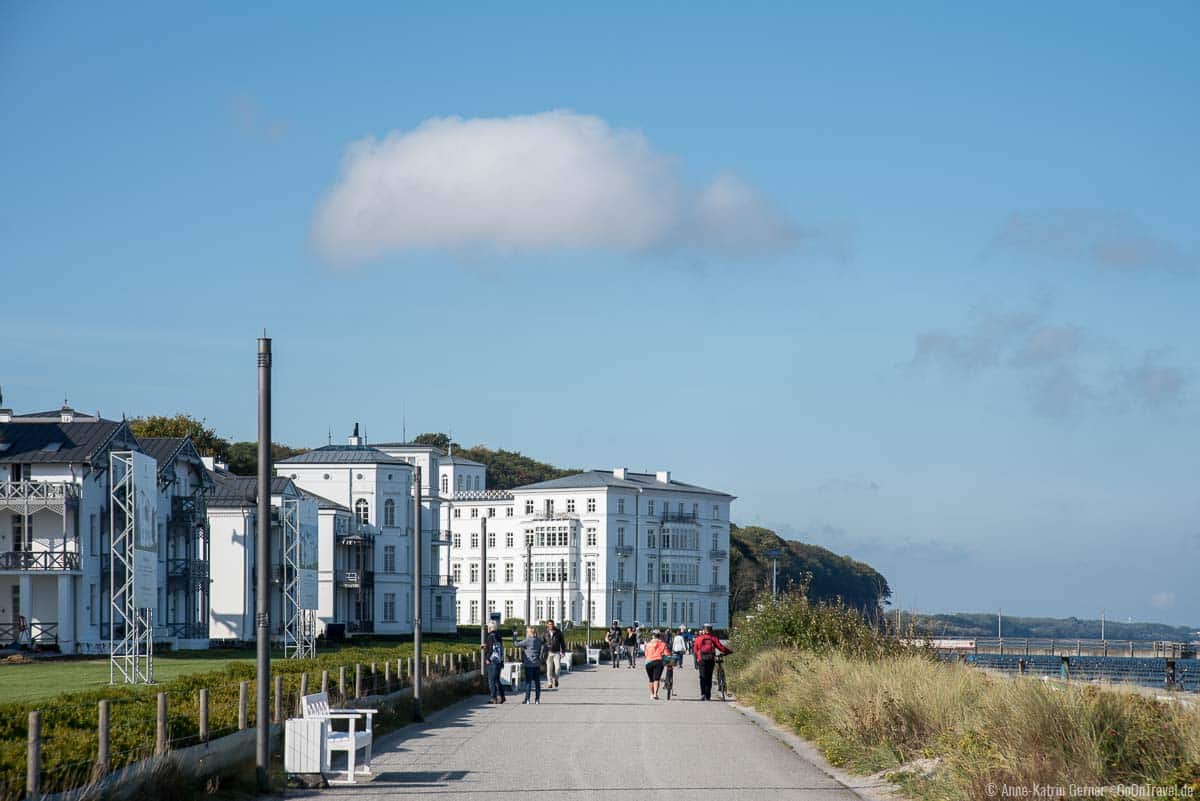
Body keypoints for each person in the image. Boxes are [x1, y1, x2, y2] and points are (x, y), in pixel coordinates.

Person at [693, 624, 732, 700]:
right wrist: (728, 651)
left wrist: (696, 660)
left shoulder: (699, 638)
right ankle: (708, 695)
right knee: (709, 677)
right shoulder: (713, 638)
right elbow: (720, 647)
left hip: (701, 659)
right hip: (711, 659)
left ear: (704, 630)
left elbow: (695, 649)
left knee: (702, 677)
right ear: (711, 630)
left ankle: (703, 694)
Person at [518, 626, 547, 704]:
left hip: (529, 664)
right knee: (537, 682)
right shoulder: (539, 640)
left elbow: (516, 644)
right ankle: (537, 700)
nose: (526, 633)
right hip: (537, 664)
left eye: (527, 632)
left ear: (530, 632)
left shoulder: (527, 640)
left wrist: (514, 636)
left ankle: (527, 699)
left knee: (528, 682)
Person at [482, 621, 507, 704]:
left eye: (488, 627)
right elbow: (498, 648)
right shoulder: (498, 636)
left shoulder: (490, 636)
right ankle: (502, 696)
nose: (487, 629)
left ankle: (493, 698)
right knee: (497, 680)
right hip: (499, 660)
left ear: (490, 628)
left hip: (493, 661)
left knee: (491, 680)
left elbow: (491, 649)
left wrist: (487, 658)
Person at [643, 629, 670, 699]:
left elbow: (646, 654)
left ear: (652, 636)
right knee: (656, 679)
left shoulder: (648, 644)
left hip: (648, 663)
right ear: (659, 636)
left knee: (651, 679)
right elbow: (667, 654)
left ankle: (651, 694)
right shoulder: (663, 644)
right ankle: (655, 694)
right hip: (658, 662)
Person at [543, 619, 566, 688]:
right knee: (549, 668)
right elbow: (542, 642)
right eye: (549, 624)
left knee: (558, 668)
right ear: (547, 625)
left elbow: (562, 642)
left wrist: (563, 651)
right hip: (548, 652)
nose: (551, 625)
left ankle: (556, 679)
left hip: (557, 652)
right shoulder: (545, 633)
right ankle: (550, 683)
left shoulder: (558, 632)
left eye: (552, 624)